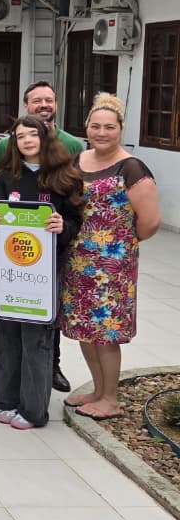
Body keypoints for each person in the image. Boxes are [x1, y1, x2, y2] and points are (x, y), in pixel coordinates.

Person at [61, 93, 161, 421]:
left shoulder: (132, 167)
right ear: (86, 127)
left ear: (120, 129)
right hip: (78, 261)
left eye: (109, 127)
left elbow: (149, 222)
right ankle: (97, 390)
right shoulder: (79, 161)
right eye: (95, 126)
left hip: (112, 266)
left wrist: (119, 244)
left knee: (105, 332)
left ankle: (111, 398)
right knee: (85, 329)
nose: (101, 133)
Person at [0, 116, 84, 430]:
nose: (26, 140)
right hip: (10, 273)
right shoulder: (7, 177)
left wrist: (61, 226)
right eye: (20, 136)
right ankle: (7, 401)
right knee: (7, 335)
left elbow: (75, 222)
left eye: (32, 135)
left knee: (37, 339)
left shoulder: (65, 177)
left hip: (44, 273)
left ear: (44, 138)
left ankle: (34, 409)